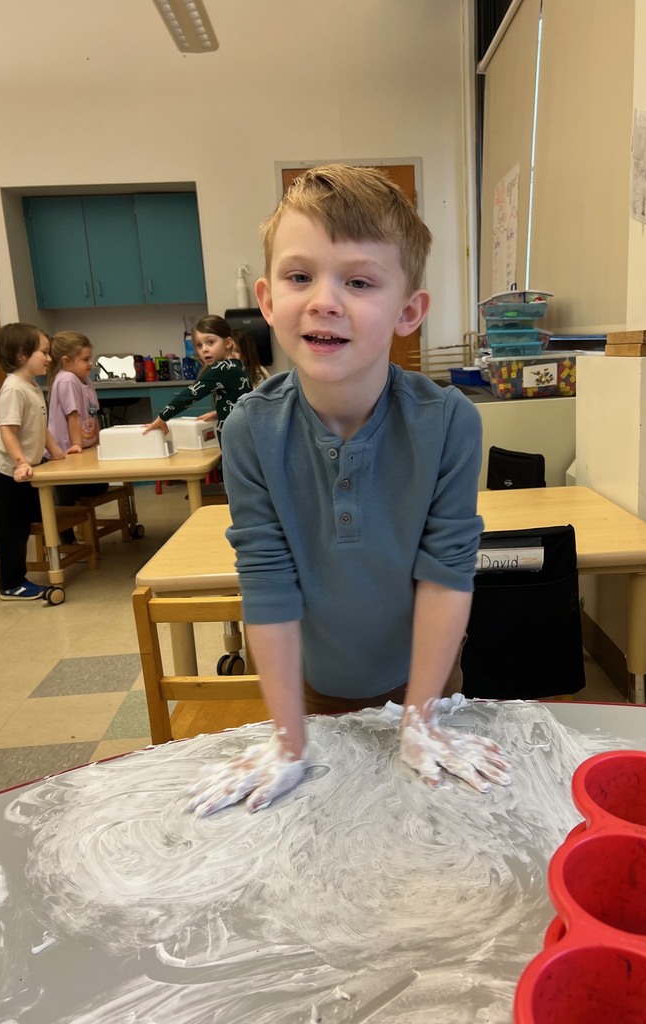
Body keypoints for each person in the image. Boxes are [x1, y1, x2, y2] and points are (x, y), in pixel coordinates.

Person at [187, 164, 510, 817]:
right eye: (300, 276)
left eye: (358, 281)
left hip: (428, 683)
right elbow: (268, 584)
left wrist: (419, 720)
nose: (323, 300)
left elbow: (447, 575)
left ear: (408, 311)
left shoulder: (449, 423)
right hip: (313, 691)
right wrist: (287, 738)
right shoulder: (251, 428)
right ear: (268, 299)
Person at [0, 323, 80, 601]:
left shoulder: (31, 386)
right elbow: (8, 429)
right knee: (11, 531)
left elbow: (39, 426)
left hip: (26, 470)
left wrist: (55, 452)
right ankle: (11, 584)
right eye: (43, 352)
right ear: (22, 355)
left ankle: (52, 558)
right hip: (7, 472)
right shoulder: (13, 389)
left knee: (34, 518)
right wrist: (20, 461)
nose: (49, 358)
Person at [142, 315, 253, 443]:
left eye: (210, 342)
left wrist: (162, 418)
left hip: (235, 436)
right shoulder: (237, 365)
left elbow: (188, 396)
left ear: (228, 343)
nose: (204, 349)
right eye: (199, 345)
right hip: (245, 431)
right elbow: (238, 399)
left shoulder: (221, 369)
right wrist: (217, 413)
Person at [47, 331, 108, 544]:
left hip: (85, 448)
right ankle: (65, 537)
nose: (90, 363)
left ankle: (79, 525)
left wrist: (99, 439)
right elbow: (73, 415)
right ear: (66, 361)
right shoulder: (67, 380)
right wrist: (75, 444)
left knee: (101, 486)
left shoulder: (84, 379)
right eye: (85, 359)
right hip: (66, 450)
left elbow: (92, 413)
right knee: (67, 495)